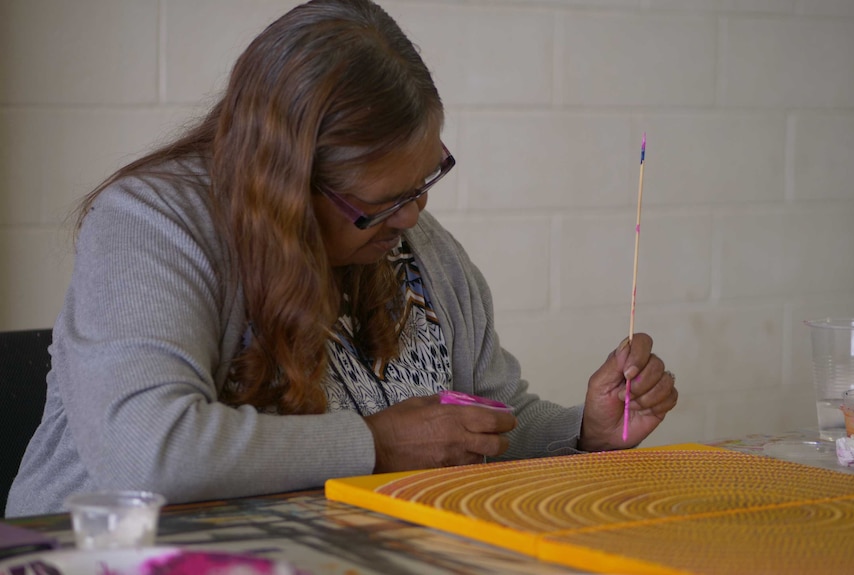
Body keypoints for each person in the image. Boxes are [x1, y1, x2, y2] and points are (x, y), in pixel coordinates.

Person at [5, 0, 678, 518]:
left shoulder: (415, 246)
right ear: (288, 183)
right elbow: (147, 450)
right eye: (381, 201)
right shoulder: (151, 225)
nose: (413, 217)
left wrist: (585, 432)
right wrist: (374, 445)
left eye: (424, 182)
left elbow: (488, 418)